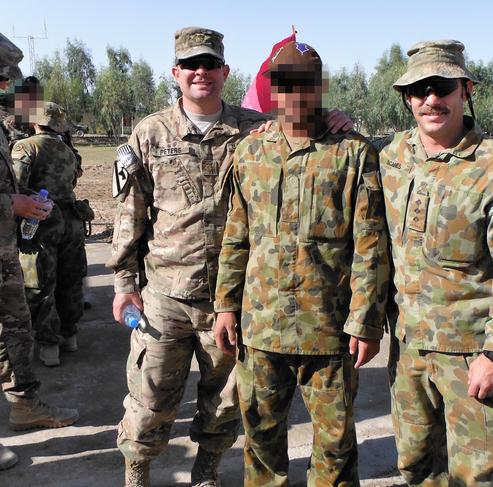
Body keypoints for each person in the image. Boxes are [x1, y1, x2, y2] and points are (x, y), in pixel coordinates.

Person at [107, 28, 352, 487]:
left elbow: (307, 134)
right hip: (167, 297)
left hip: (233, 298)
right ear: (176, 73)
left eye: (210, 64)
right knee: (150, 395)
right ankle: (136, 469)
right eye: (191, 65)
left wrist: (337, 117)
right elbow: (129, 216)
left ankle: (207, 470)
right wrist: (124, 285)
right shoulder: (150, 132)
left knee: (223, 401)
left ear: (225, 71)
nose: (201, 73)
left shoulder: (253, 128)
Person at [213, 40, 389, 486]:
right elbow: (237, 235)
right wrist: (225, 306)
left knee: (334, 449)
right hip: (262, 328)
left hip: (329, 334)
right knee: (261, 444)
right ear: (272, 88)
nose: (295, 93)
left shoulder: (353, 153)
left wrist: (364, 322)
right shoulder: (250, 153)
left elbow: (370, 247)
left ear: (320, 87)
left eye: (305, 83)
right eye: (285, 83)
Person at [376, 40, 493, 486]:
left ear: (465, 90)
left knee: (474, 473)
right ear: (407, 98)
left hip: (470, 354)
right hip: (409, 350)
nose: (431, 99)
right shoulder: (393, 157)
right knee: (415, 465)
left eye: (442, 87)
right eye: (419, 90)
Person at [0, 32, 79, 472]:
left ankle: (25, 399)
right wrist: (14, 203)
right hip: (27, 228)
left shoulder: (18, 140)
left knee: (21, 314)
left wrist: (21, 199)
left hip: (15, 237)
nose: (8, 88)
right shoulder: (53, 145)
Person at [11, 102, 86, 367]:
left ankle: (49, 345)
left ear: (35, 121)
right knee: (70, 279)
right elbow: (73, 181)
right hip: (71, 222)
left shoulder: (25, 147)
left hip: (41, 224)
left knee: (41, 283)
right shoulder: (67, 150)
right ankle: (70, 335)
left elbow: (17, 185)